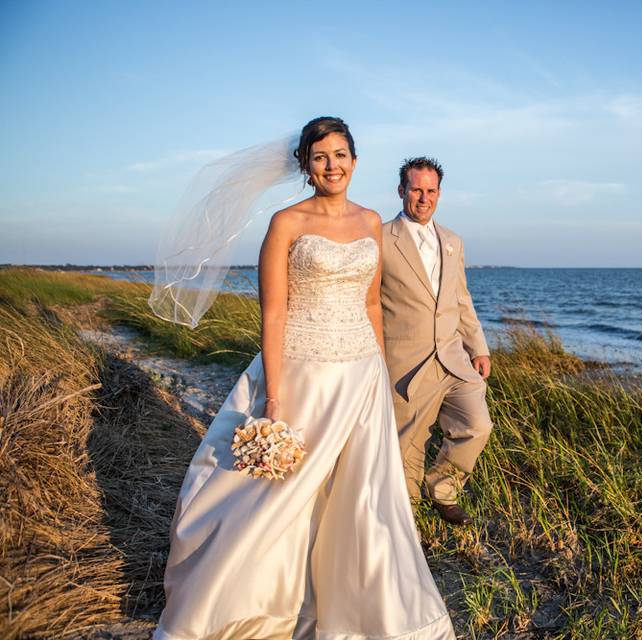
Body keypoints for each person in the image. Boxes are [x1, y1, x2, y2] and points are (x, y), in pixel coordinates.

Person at [152, 118, 456, 640]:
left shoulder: (369, 223)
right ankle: (242, 606)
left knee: (362, 496)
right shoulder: (286, 222)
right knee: (273, 495)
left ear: (355, 162)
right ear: (306, 166)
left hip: (359, 373)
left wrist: (379, 376)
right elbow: (273, 314)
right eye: (320, 157)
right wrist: (277, 393)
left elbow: (368, 304)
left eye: (340, 155)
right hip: (302, 371)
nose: (332, 165)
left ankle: (362, 612)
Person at [380, 157, 494, 526]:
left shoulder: (453, 241)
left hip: (453, 356)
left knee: (477, 425)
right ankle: (407, 516)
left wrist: (478, 347)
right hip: (405, 361)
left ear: (439, 194)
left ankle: (443, 488)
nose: (423, 198)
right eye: (416, 189)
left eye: (431, 191)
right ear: (402, 191)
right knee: (406, 445)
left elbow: (461, 298)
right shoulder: (379, 237)